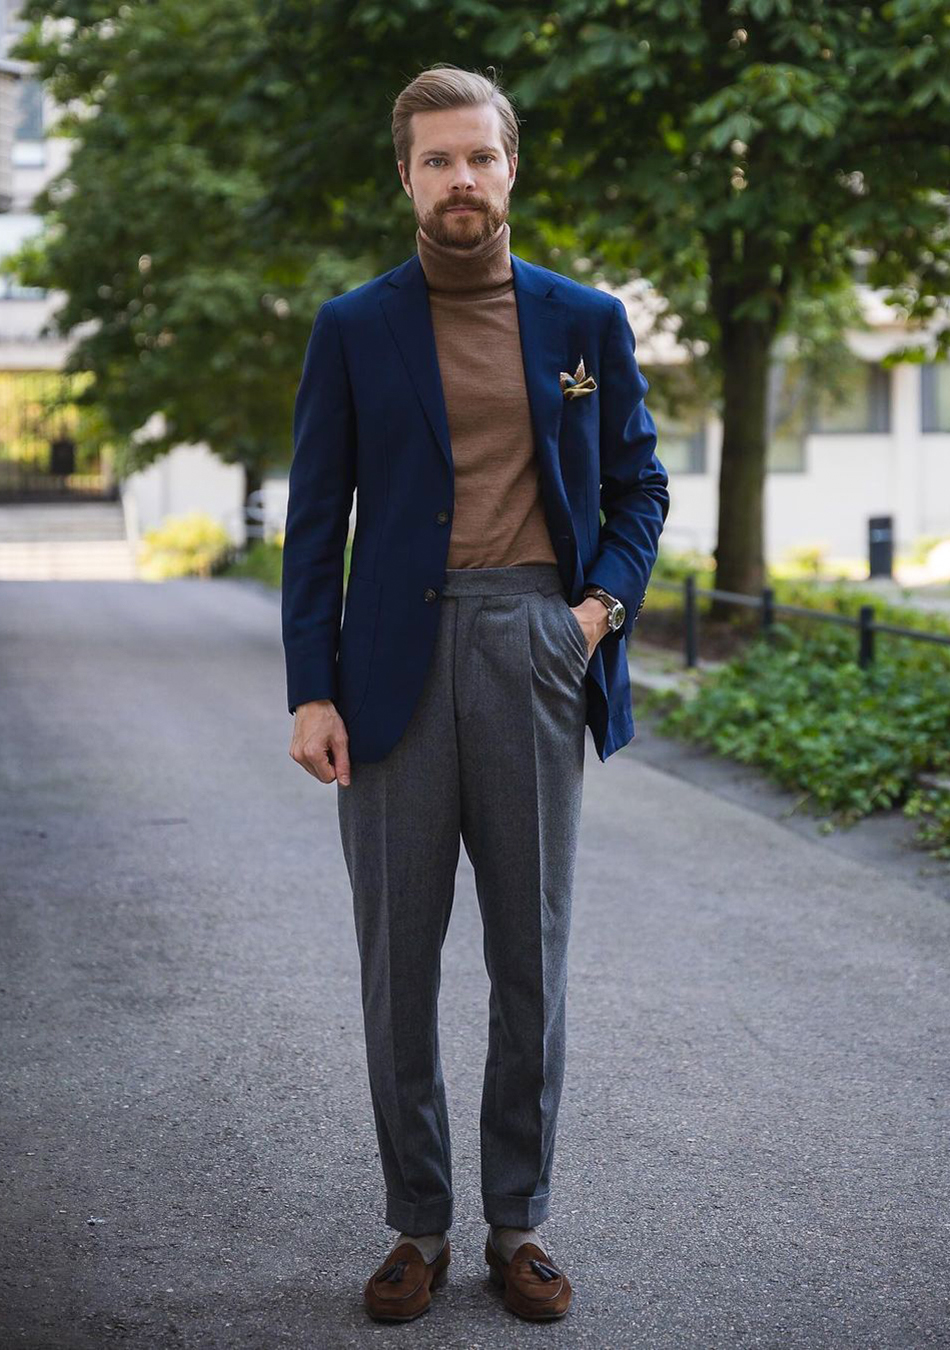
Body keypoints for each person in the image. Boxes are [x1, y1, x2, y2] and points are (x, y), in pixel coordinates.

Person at [281, 63, 670, 1324]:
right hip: (388, 664)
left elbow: (638, 489)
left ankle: (516, 1225)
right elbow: (313, 521)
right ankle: (417, 1227)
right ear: (404, 174)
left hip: (532, 647)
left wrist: (594, 616)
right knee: (398, 965)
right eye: (437, 159)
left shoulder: (583, 322)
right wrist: (309, 689)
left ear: (512, 169)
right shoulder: (352, 326)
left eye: (480, 157)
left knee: (529, 959)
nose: (462, 179)